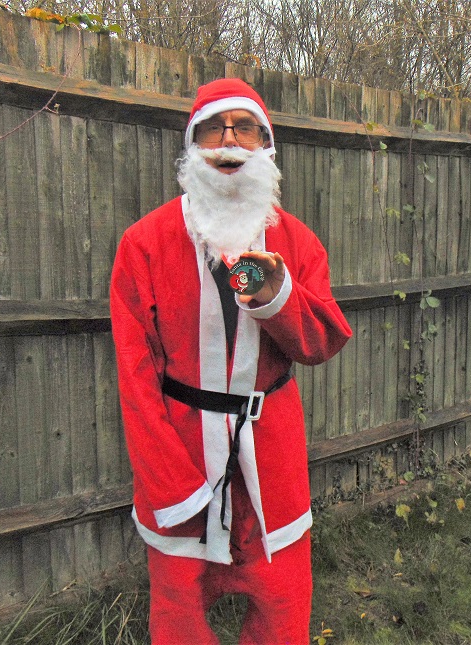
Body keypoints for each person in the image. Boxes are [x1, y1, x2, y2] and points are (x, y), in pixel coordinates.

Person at [109, 77, 352, 644]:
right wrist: (167, 479)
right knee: (179, 610)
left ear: (266, 145)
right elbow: (135, 375)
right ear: (192, 145)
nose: (228, 142)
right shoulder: (144, 243)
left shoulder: (298, 241)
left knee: (283, 603)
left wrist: (277, 298)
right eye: (213, 129)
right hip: (183, 447)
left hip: (270, 453)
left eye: (244, 128)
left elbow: (321, 342)